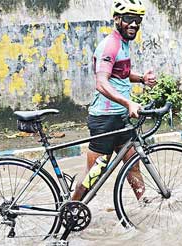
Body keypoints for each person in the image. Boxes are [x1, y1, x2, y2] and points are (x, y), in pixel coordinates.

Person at [72, 0, 157, 201]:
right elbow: (101, 82)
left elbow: (120, 74)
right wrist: (128, 103)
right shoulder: (110, 45)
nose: (134, 24)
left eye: (138, 20)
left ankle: (146, 207)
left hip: (120, 117)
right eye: (129, 19)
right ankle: (71, 211)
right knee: (94, 172)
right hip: (104, 120)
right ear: (117, 19)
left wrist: (142, 79)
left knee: (133, 165)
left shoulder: (123, 44)